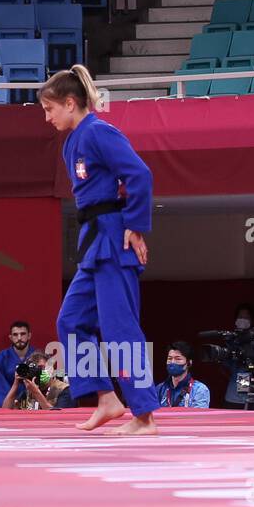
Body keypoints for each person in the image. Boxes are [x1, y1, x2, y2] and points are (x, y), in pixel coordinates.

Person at [43, 65, 159, 436]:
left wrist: (136, 227)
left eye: (50, 109)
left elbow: (139, 175)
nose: (48, 117)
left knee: (119, 327)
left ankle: (144, 416)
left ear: (71, 103)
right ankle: (107, 398)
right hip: (93, 240)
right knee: (71, 321)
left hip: (113, 237)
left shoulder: (99, 132)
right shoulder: (73, 141)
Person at [0, 351, 72, 411]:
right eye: (36, 369)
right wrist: (16, 383)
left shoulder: (64, 390)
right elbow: (5, 411)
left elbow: (59, 417)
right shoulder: (28, 392)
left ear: (51, 369)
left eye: (42, 367)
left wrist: (36, 392)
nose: (39, 372)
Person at [0, 321, 40, 406]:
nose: (19, 338)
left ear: (29, 336)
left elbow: (46, 385)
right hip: (11, 408)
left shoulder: (39, 358)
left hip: (36, 407)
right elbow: (0, 388)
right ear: (10, 337)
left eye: (23, 334)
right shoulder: (1, 358)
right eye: (15, 335)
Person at [153, 342, 211, 409]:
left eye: (178, 359)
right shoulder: (160, 389)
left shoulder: (199, 389)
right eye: (169, 358)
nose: (172, 362)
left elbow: (198, 418)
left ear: (189, 362)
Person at [223, 303, 254, 408]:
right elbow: (224, 366)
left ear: (252, 320)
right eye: (240, 317)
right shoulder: (231, 340)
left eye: (246, 317)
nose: (243, 320)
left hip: (253, 396)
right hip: (233, 395)